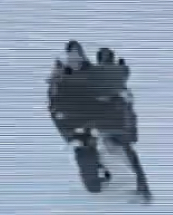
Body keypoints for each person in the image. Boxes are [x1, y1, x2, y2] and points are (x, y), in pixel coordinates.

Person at [47, 41, 152, 201]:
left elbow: (125, 108)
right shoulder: (62, 83)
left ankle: (136, 191)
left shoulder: (99, 78)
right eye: (71, 58)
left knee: (116, 153)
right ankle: (118, 190)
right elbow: (56, 108)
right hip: (86, 127)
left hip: (102, 126)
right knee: (91, 157)